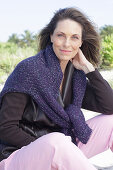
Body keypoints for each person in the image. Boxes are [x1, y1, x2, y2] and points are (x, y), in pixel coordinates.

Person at [0, 7, 113, 170]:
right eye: (61, 35)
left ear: (81, 42)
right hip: (18, 156)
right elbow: (5, 127)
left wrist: (90, 70)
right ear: (51, 36)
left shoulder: (75, 77)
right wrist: (46, 146)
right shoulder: (29, 70)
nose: (67, 43)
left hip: (63, 146)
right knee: (57, 141)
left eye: (74, 37)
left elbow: (109, 106)